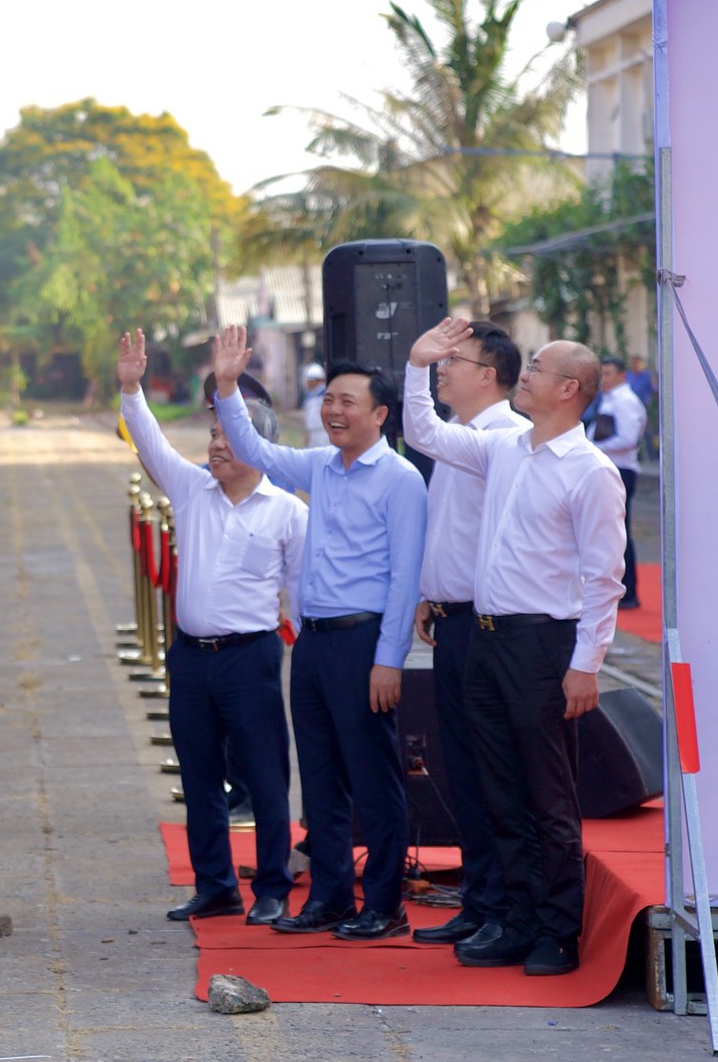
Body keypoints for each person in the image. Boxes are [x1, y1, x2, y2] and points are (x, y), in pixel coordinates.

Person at [402, 317, 626, 976]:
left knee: (548, 797)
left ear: (568, 388)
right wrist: (419, 367)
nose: (520, 376)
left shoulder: (590, 472)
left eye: (533, 370)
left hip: (542, 645)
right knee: (499, 788)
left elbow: (603, 577)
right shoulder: (505, 449)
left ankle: (559, 928)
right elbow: (424, 433)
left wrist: (586, 664)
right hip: (489, 642)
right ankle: (515, 918)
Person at [210, 325, 427, 941]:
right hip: (313, 643)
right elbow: (254, 449)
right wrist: (227, 386)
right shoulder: (322, 467)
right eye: (328, 399)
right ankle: (331, 896)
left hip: (364, 646)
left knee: (373, 778)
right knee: (323, 777)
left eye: (347, 401)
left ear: (381, 414)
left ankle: (383, 903)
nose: (333, 409)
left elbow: (406, 577)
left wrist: (390, 660)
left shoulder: (401, 480)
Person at [116, 330, 309, 928]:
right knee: (200, 774)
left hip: (250, 658)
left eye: (228, 437)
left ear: (259, 445)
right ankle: (215, 885)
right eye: (213, 435)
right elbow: (149, 442)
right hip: (191, 658)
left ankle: (273, 886)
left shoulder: (288, 511)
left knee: (264, 775)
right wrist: (130, 388)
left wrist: (308, 669)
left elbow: (301, 596)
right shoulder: (192, 489)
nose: (215, 446)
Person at [398, 320, 530, 947]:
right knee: (463, 767)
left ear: (489, 375)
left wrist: (414, 365)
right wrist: (432, 592)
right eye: (439, 362)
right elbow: (452, 529)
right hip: (454, 617)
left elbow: (418, 429)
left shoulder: (505, 437)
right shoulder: (467, 439)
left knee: (490, 770)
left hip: (488, 625)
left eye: (456, 360)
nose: (444, 368)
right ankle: (480, 902)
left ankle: (503, 906)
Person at [591, 358, 647, 609]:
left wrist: (592, 448)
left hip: (620, 469)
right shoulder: (611, 399)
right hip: (611, 467)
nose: (604, 379)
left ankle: (629, 591)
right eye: (601, 374)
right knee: (611, 532)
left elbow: (628, 438)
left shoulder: (625, 402)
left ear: (622, 376)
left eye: (608, 373)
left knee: (619, 533)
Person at [299, 364, 327, 446]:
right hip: (312, 433)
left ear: (318, 380)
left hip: (323, 433)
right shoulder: (310, 396)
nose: (307, 383)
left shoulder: (325, 394)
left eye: (310, 380)